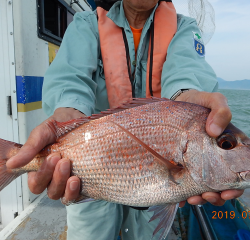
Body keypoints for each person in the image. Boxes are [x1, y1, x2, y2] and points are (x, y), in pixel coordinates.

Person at [7, 0, 244, 239]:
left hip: (154, 198)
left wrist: (187, 96)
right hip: (89, 178)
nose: (227, 144)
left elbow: (187, 69)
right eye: (226, 144)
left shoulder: (183, 27)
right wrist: (66, 112)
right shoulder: (86, 24)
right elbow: (70, 78)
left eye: (226, 143)